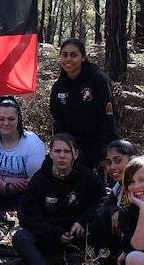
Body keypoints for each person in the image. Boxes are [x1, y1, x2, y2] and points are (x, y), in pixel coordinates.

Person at [12, 133, 105, 265]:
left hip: (78, 234)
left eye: (67, 152)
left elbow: (102, 201)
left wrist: (82, 221)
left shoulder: (86, 176)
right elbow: (26, 216)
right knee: (20, 237)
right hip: (50, 235)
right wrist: (54, 232)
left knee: (102, 225)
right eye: (57, 151)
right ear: (50, 153)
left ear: (75, 154)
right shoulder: (40, 178)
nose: (62, 156)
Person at [48, 38, 118, 171]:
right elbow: (58, 121)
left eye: (74, 55)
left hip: (99, 142)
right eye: (65, 55)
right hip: (74, 146)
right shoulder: (59, 87)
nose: (68, 59)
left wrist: (105, 152)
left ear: (83, 57)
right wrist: (63, 147)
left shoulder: (97, 80)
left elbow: (107, 117)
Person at [87, 139, 139, 265]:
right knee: (95, 227)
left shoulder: (143, 181)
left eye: (118, 161)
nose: (113, 167)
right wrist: (113, 210)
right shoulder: (119, 186)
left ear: (132, 160)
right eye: (109, 163)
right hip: (123, 241)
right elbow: (102, 209)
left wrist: (121, 214)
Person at [0, 96, 46, 220]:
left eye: (11, 119)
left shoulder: (33, 144)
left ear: (19, 119)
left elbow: (36, 181)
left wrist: (7, 187)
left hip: (24, 194)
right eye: (1, 119)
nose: (6, 123)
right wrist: (5, 179)